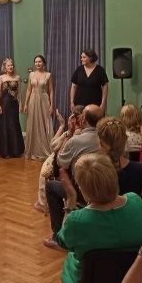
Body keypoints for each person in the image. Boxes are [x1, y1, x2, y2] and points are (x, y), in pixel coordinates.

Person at [56, 154, 142, 283]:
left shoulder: (76, 220)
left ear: (82, 188)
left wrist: (71, 201)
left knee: (70, 258)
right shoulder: (135, 200)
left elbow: (61, 241)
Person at [43, 104, 103, 250]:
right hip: (104, 188)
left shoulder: (76, 141)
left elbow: (60, 162)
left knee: (51, 187)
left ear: (83, 119)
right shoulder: (105, 138)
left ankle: (58, 237)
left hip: (81, 192)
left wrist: (69, 133)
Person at [97, 116, 142, 196]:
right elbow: (141, 197)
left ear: (101, 144)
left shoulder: (94, 172)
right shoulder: (141, 169)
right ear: (125, 140)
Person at [24, 55, 55, 160]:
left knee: (44, 122)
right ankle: (32, 150)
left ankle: (45, 150)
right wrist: (26, 103)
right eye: (36, 62)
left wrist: (52, 105)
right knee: (33, 123)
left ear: (43, 63)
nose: (37, 63)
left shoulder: (48, 75)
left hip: (44, 100)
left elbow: (51, 91)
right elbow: (29, 90)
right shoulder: (31, 74)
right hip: (33, 100)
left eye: (40, 61)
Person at [0, 58, 25, 158]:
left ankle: (15, 151)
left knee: (14, 124)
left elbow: (19, 92)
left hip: (14, 104)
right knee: (4, 125)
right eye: (8, 65)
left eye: (11, 65)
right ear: (5, 67)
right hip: (4, 103)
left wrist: (20, 104)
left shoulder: (17, 77)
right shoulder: (1, 77)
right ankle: (4, 151)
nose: (10, 67)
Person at [69, 49, 109, 114]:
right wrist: (72, 102)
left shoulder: (100, 70)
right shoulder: (79, 69)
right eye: (81, 57)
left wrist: (103, 104)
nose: (81, 59)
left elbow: (105, 87)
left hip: (95, 104)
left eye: (84, 57)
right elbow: (73, 86)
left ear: (90, 58)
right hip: (79, 104)